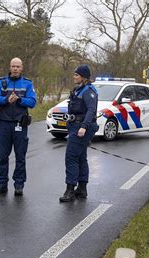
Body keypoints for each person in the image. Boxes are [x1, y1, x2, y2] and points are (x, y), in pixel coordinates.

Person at [0, 57, 37, 196]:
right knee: (3, 156)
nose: (15, 69)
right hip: (4, 124)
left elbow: (32, 102)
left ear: (22, 68)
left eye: (18, 66)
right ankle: (2, 184)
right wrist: (6, 100)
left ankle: (19, 185)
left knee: (20, 156)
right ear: (10, 67)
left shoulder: (27, 84)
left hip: (19, 124)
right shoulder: (1, 81)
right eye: (13, 66)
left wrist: (19, 99)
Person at [59, 64, 99, 202]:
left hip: (82, 128)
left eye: (76, 75)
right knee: (81, 157)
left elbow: (91, 110)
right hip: (75, 126)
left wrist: (84, 126)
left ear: (83, 77)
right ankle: (82, 189)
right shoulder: (78, 90)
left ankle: (70, 190)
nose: (74, 77)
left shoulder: (88, 91)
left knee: (71, 157)